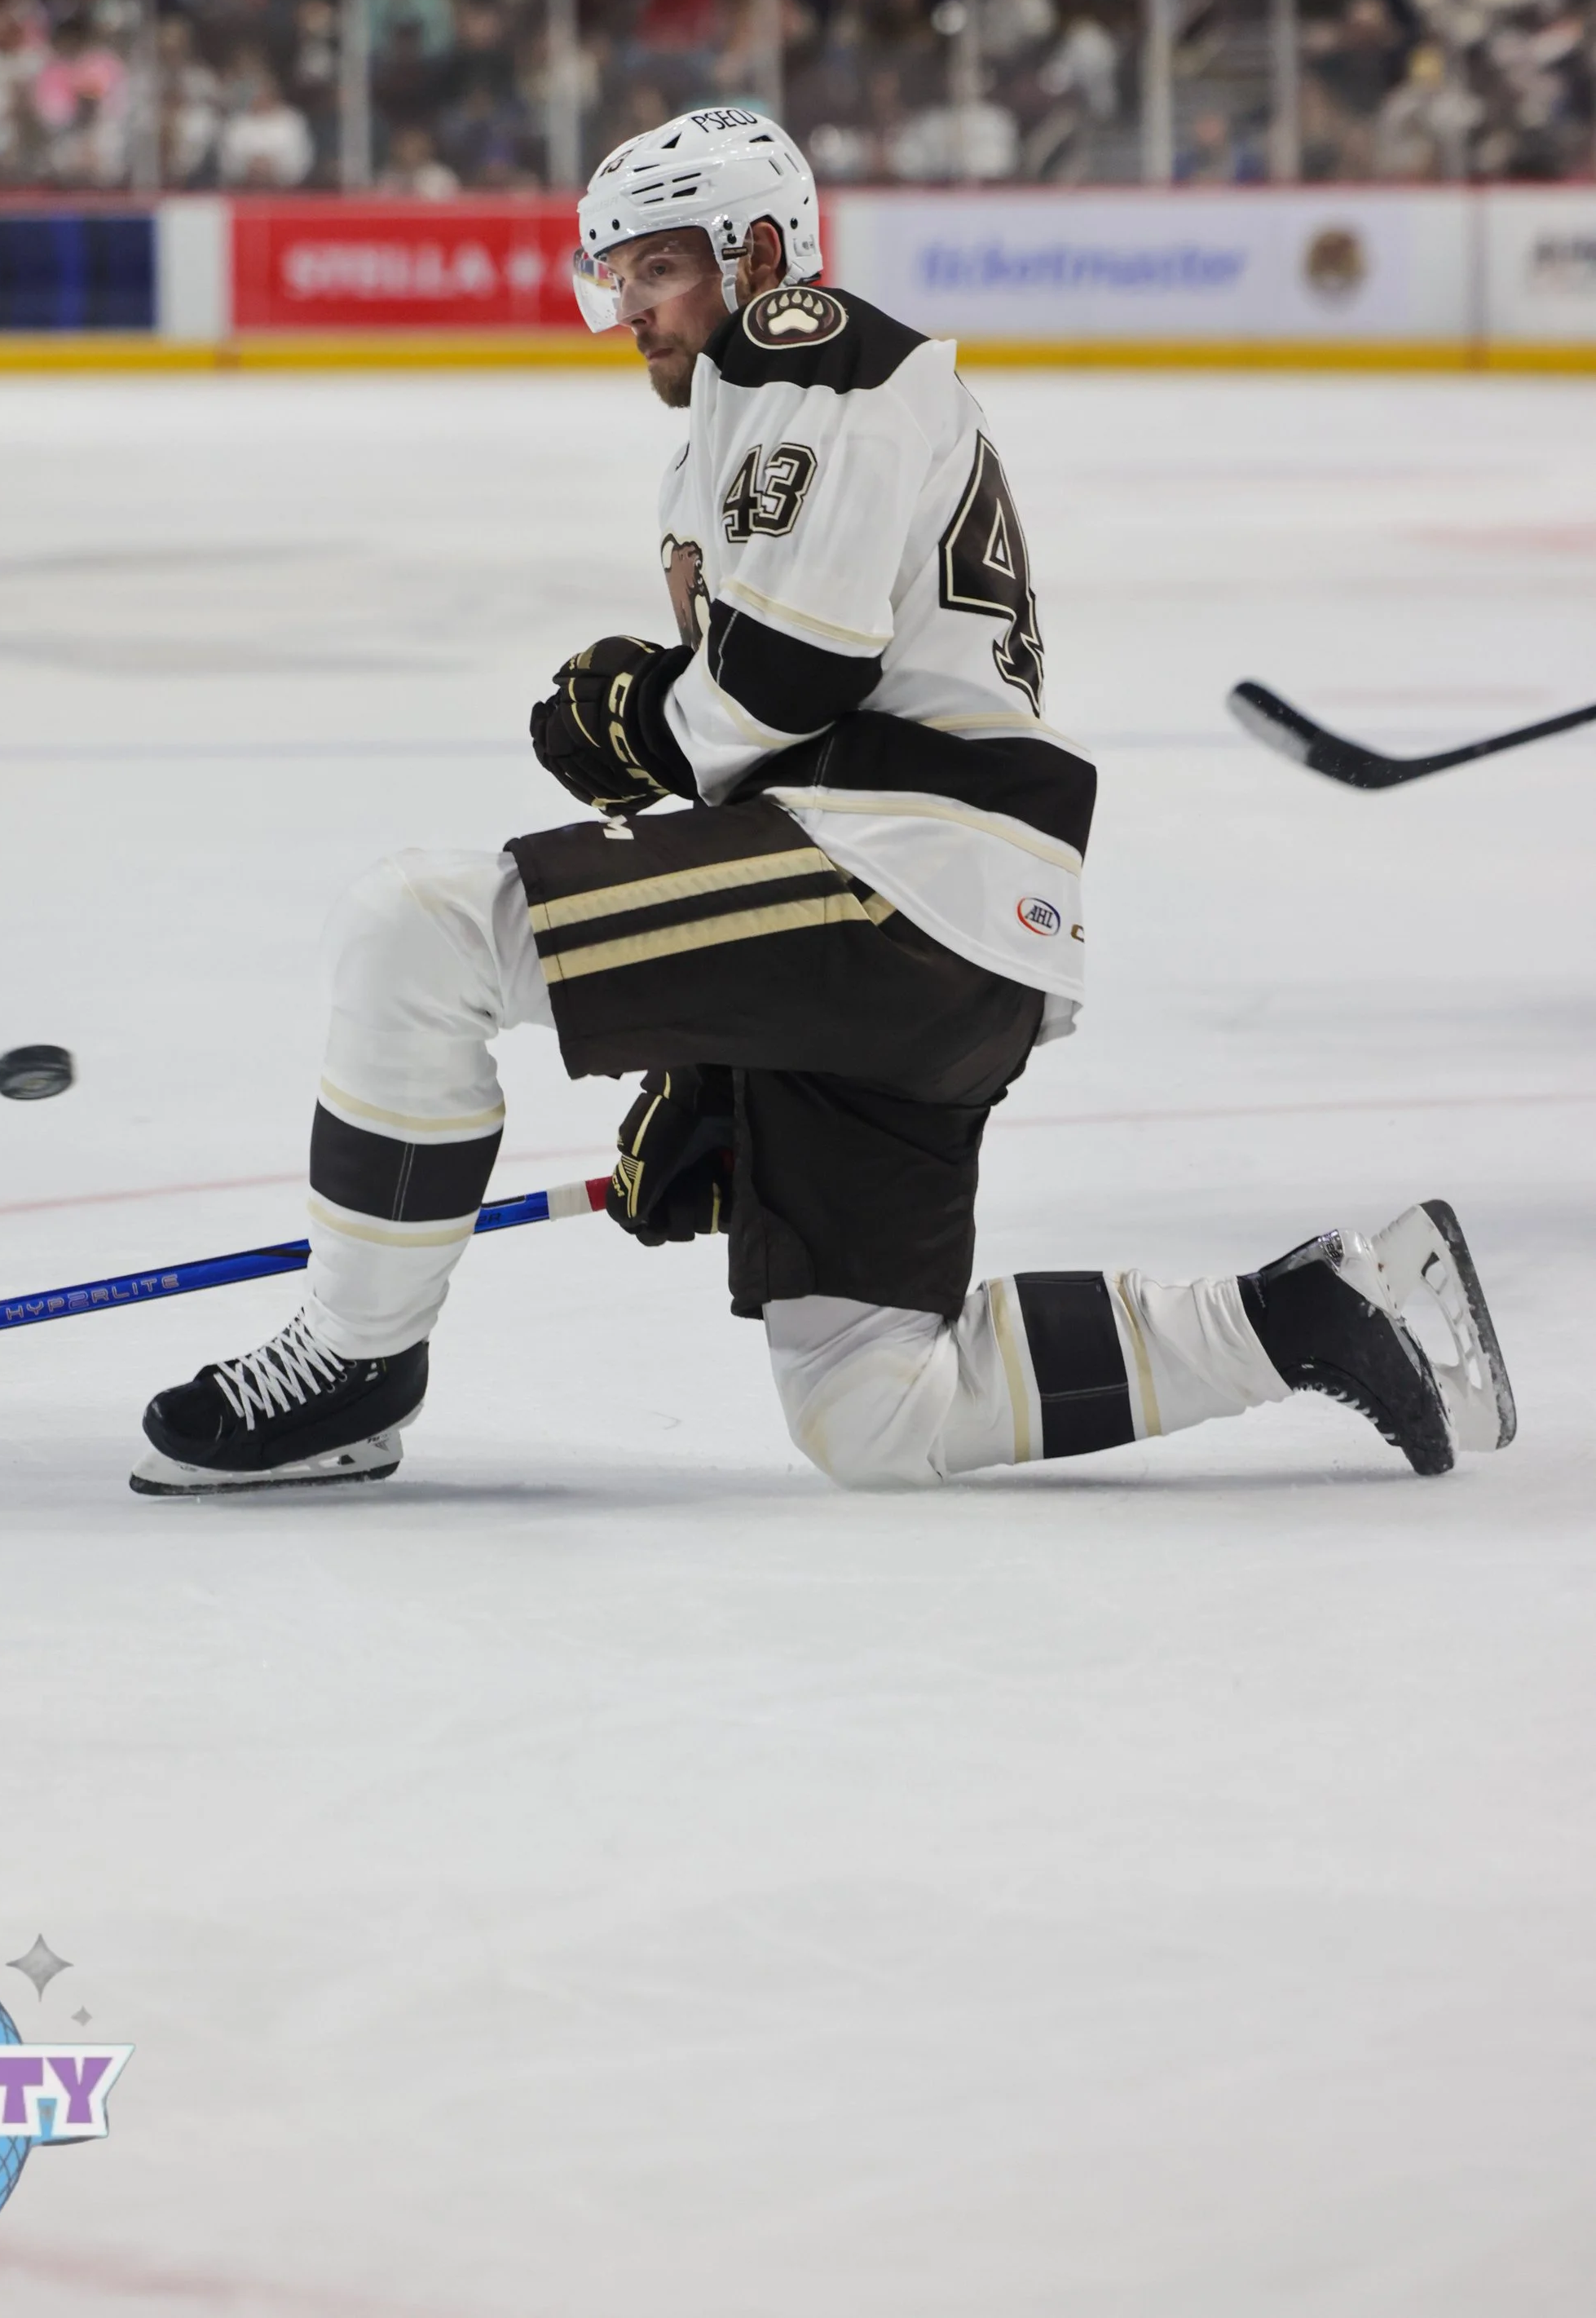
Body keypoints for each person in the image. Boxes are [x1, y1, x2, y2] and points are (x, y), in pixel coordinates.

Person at [133, 111, 1515, 1499]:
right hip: (935, 923)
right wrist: (726, 1052)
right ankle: (1317, 1314)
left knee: (417, 931)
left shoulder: (806, 349)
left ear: (762, 253)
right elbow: (785, 712)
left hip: (903, 871)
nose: (629, 312)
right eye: (612, 277)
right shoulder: (743, 414)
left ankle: (354, 1365)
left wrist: (638, 717)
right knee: (871, 1404)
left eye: (658, 269)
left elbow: (783, 682)